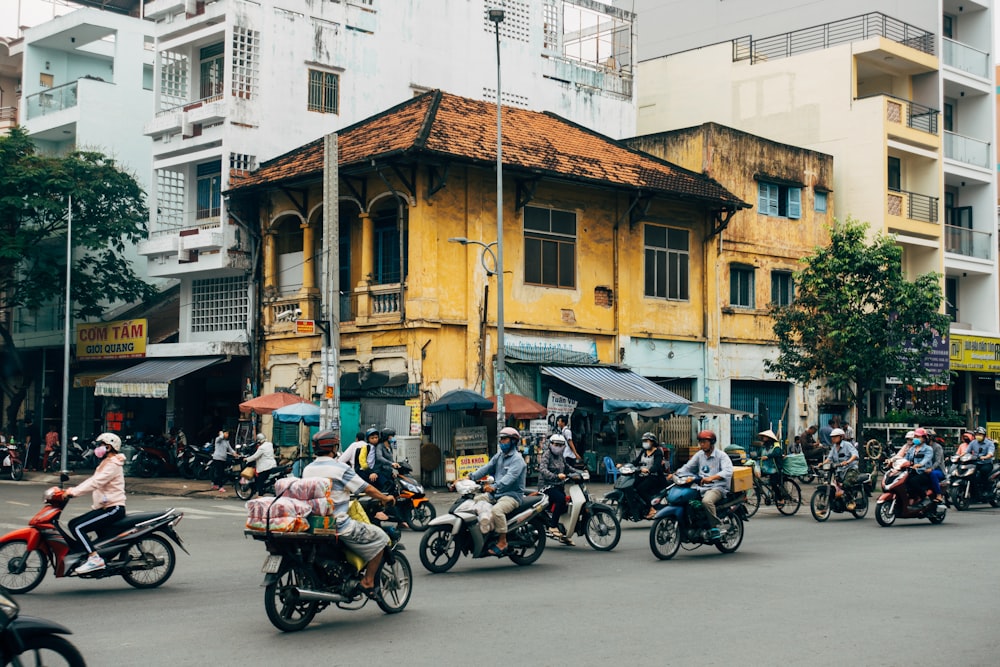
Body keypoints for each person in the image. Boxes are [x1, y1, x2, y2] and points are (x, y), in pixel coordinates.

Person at [302, 443, 396, 595]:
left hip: (312, 523)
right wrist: (385, 498)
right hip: (337, 525)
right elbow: (366, 488)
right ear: (334, 448)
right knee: (382, 538)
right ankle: (367, 582)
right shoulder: (340, 468)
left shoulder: (307, 469)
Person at [64, 433, 127, 574]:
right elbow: (92, 480)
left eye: (100, 445)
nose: (98, 448)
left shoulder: (113, 465)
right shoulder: (107, 463)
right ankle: (90, 555)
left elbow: (95, 482)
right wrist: (72, 490)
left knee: (77, 527)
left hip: (113, 508)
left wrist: (73, 492)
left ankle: (94, 559)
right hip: (104, 507)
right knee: (73, 523)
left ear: (109, 447)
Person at [468, 426, 526, 556]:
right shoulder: (499, 456)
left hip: (511, 495)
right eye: (501, 439)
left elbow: (509, 478)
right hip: (497, 494)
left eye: (504, 439)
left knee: (497, 511)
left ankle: (502, 541)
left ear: (513, 441)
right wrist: (469, 477)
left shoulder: (517, 460)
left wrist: (494, 486)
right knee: (475, 501)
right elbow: (486, 467)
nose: (501, 442)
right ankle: (484, 531)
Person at [670, 430, 733, 537]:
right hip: (701, 487)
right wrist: (675, 474)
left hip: (717, 487)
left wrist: (712, 478)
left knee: (706, 501)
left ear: (712, 442)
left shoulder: (721, 455)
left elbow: (728, 471)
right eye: (700, 442)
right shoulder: (699, 455)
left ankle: (715, 527)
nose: (702, 444)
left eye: (705, 442)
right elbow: (688, 467)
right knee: (686, 499)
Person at [538, 433, 574, 545]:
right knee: (560, 500)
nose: (558, 447)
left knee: (567, 504)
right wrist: (556, 476)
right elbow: (542, 470)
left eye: (560, 445)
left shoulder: (560, 456)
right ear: (550, 444)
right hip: (546, 486)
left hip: (559, 486)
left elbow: (568, 468)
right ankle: (553, 526)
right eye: (556, 444)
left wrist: (580, 472)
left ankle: (562, 532)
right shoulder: (547, 455)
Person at [625, 432, 667, 519]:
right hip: (643, 476)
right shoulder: (643, 451)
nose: (645, 442)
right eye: (644, 441)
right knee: (631, 485)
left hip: (654, 477)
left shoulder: (658, 452)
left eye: (647, 440)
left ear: (652, 442)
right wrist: (625, 466)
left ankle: (652, 509)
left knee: (641, 489)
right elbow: (635, 462)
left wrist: (649, 470)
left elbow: (656, 465)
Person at [824, 428, 859, 509]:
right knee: (833, 485)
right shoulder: (834, 447)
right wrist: (822, 464)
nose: (833, 439)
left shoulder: (847, 445)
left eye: (835, 437)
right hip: (839, 471)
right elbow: (829, 458)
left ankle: (851, 501)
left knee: (846, 484)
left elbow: (855, 454)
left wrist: (848, 461)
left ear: (841, 437)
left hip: (850, 469)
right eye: (832, 437)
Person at [903, 427, 934, 506]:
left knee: (913, 481)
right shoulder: (912, 448)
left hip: (923, 472)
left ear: (923, 438)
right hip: (911, 471)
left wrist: (920, 464)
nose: (915, 439)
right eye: (915, 437)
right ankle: (911, 497)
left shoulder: (928, 449)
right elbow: (905, 458)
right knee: (903, 481)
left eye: (918, 437)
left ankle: (924, 496)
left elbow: (927, 459)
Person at [758, 429, 786, 506]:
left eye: (765, 437)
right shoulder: (764, 446)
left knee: (773, 483)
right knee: (756, 478)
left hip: (775, 469)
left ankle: (781, 499)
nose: (763, 438)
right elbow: (759, 454)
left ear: (769, 438)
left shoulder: (776, 446)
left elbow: (777, 453)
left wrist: (767, 456)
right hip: (765, 468)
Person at [368, 428, 401, 493]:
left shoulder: (390, 447)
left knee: (395, 488)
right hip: (380, 472)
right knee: (387, 487)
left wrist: (394, 468)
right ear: (387, 437)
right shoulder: (380, 446)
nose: (393, 438)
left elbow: (391, 459)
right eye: (392, 436)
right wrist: (391, 464)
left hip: (388, 473)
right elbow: (379, 457)